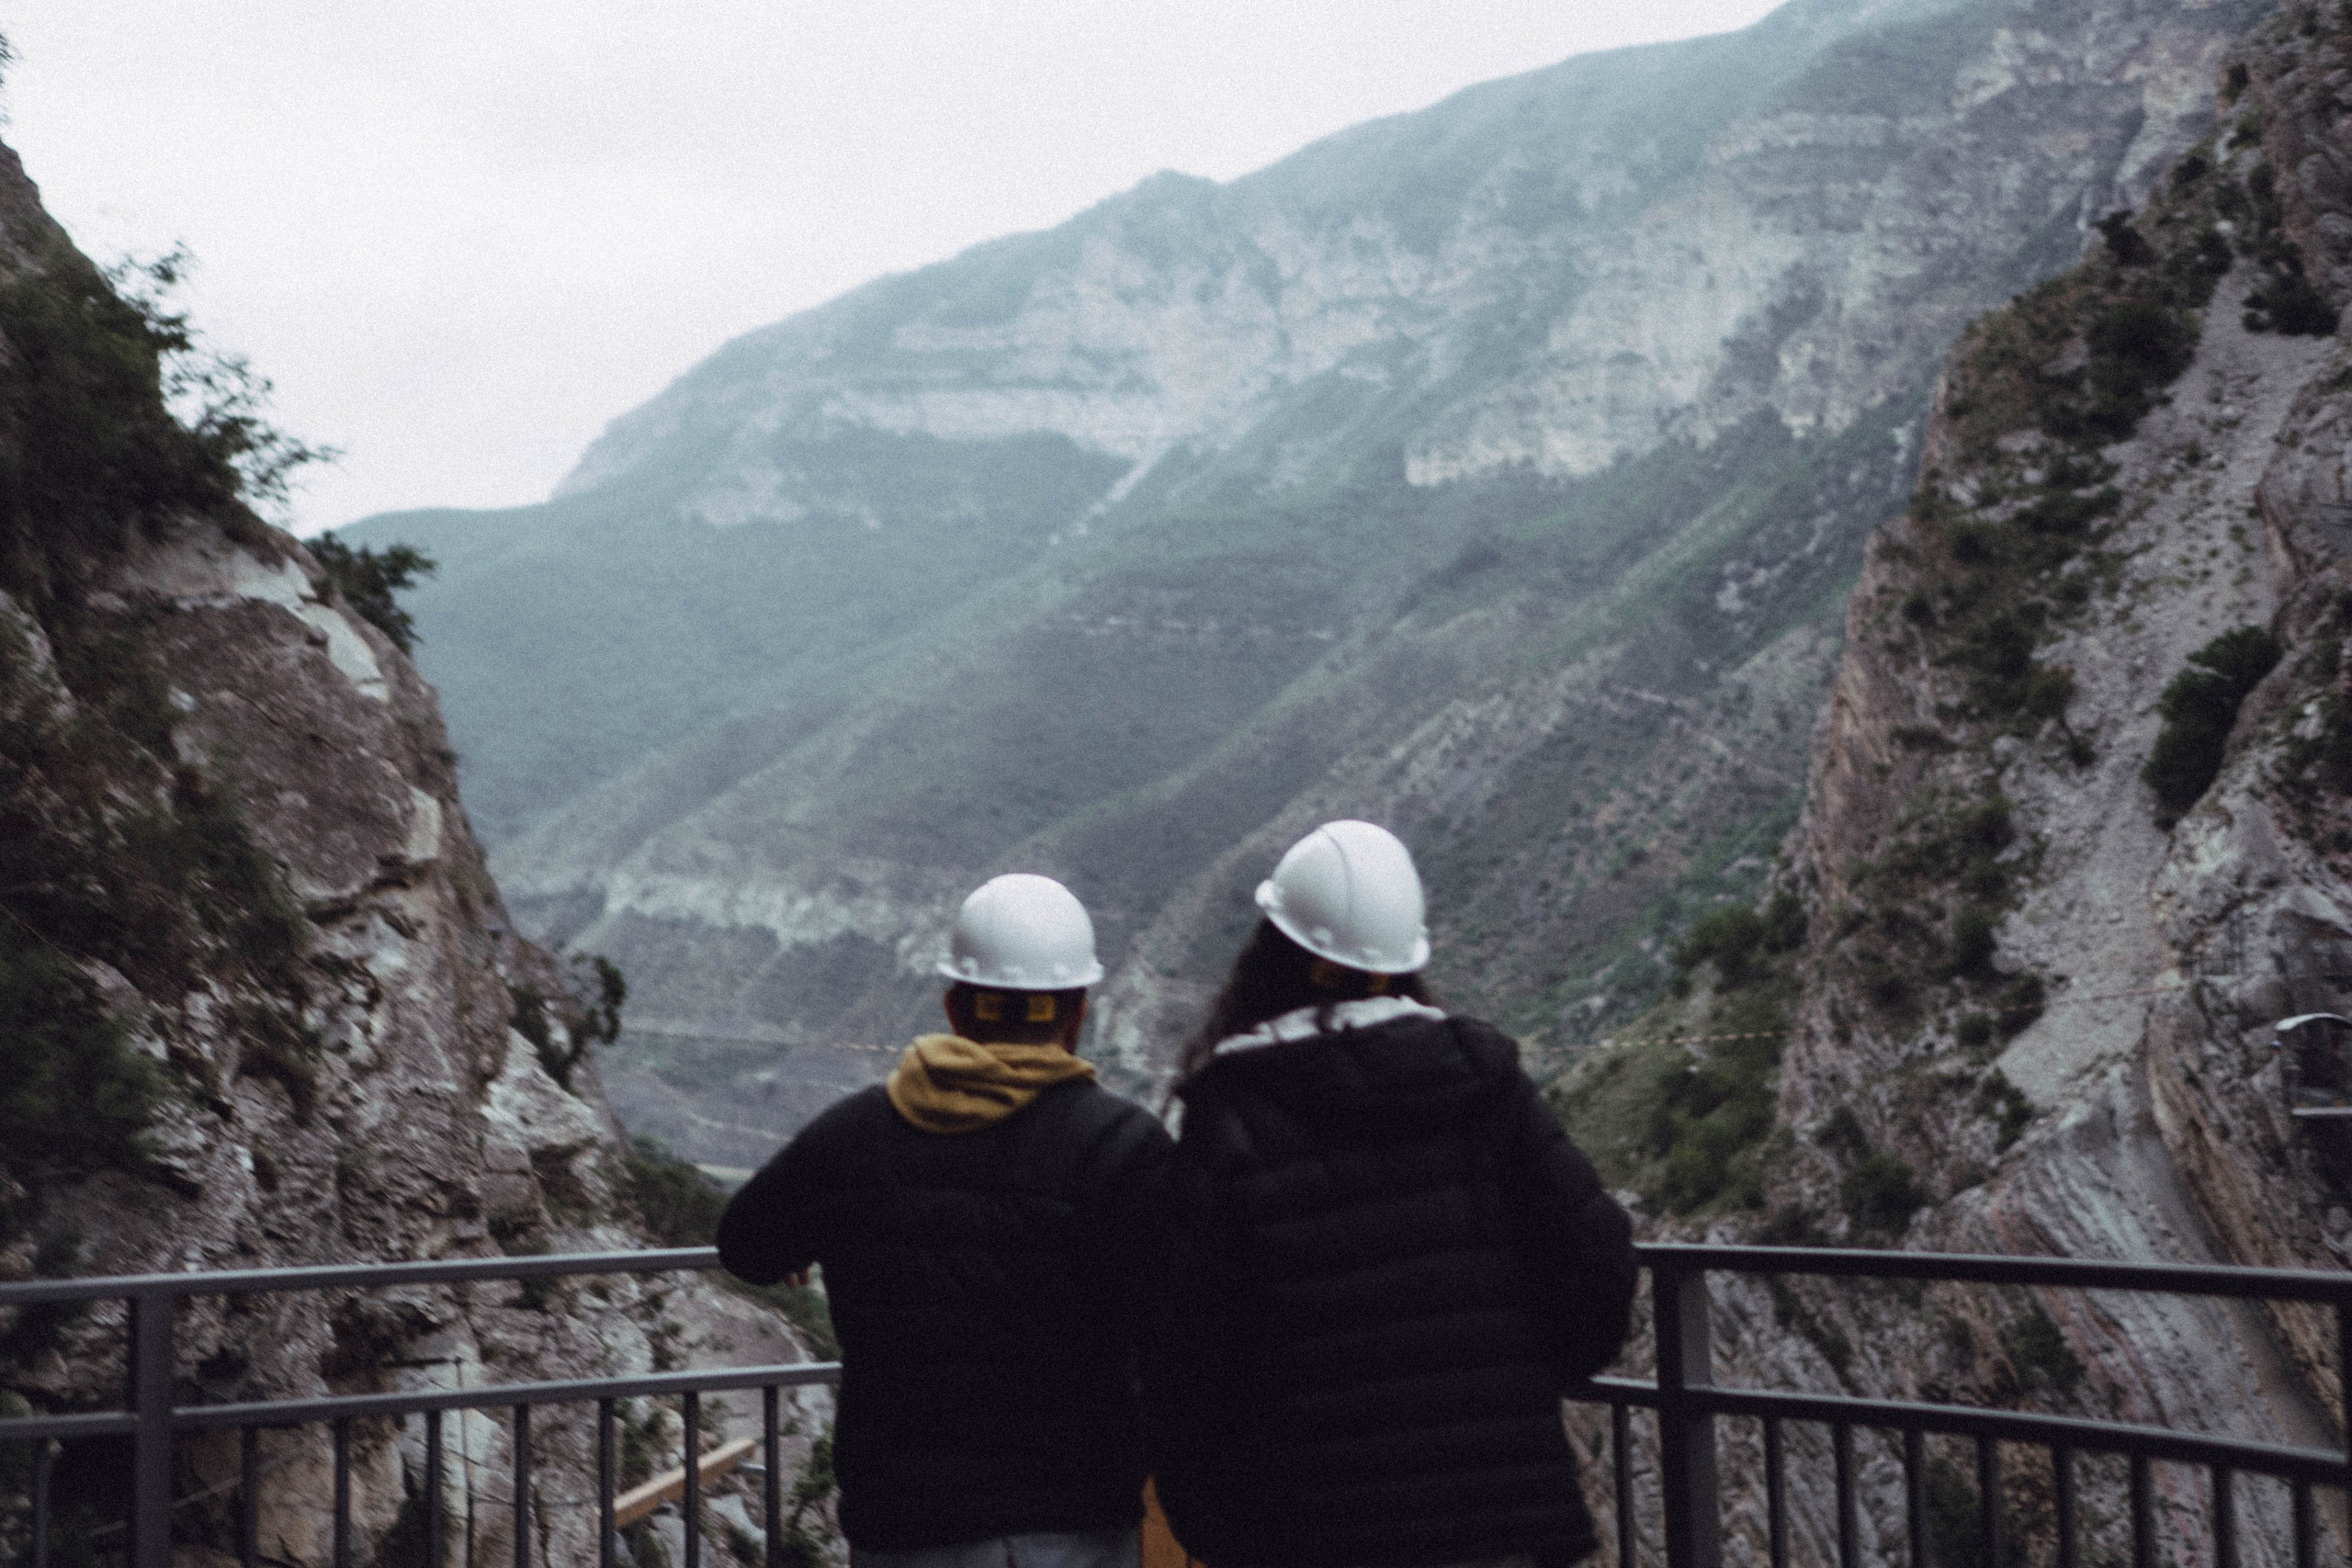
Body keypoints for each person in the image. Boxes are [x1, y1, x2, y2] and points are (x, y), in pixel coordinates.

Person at [1146, 821, 1637, 1568]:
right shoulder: (1480, 1078)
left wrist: (1219, 1525)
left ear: (1275, 950)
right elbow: (1594, 1259)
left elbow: (1189, 1354)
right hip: (1496, 1518)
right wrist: (1520, 1379)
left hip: (1314, 1527)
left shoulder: (1230, 1115)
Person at [718, 873, 1174, 1568]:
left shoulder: (856, 1134)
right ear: (1078, 1011)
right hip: (1075, 1521)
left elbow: (747, 1243)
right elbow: (1181, 1317)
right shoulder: (1123, 1145)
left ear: (954, 1008)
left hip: (907, 1525)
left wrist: (817, 1234)